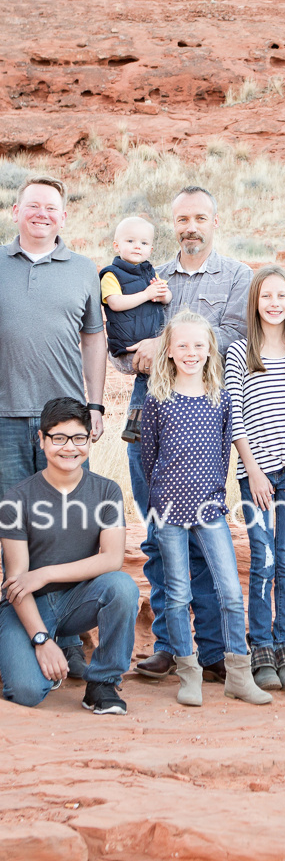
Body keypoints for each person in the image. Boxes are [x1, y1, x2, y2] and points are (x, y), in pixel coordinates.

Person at [130, 186, 252, 683]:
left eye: (200, 217)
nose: (190, 226)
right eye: (182, 219)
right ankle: (169, 644)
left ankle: (213, 651)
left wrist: (165, 340)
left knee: (204, 540)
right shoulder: (150, 275)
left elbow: (234, 339)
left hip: (205, 410)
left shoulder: (237, 275)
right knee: (161, 535)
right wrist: (155, 347)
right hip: (150, 410)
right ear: (172, 222)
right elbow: (127, 351)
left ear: (215, 221)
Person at [0, 176, 107, 680]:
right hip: (2, 418)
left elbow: (93, 341)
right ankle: (15, 640)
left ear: (63, 217)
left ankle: (66, 640)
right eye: (33, 205)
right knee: (9, 532)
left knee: (64, 532)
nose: (42, 213)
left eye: (52, 207)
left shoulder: (83, 269)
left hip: (62, 424)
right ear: (16, 209)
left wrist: (95, 405)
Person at [140, 311, 270, 707]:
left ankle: (238, 674)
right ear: (169, 352)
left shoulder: (221, 398)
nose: (191, 352)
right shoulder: (157, 399)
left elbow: (224, 451)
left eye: (199, 345)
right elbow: (149, 457)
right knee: (178, 594)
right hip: (169, 511)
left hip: (210, 509)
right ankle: (188, 672)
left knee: (230, 591)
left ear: (211, 350)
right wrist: (164, 495)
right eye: (182, 345)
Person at [0, 397, 139, 714]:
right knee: (26, 692)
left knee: (121, 587)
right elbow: (17, 584)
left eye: (78, 438)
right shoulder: (16, 499)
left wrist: (46, 573)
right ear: (42, 439)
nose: (69, 448)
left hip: (79, 599)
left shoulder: (106, 491)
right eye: (58, 438)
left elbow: (111, 559)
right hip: (28, 606)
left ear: (90, 438)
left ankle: (102, 683)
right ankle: (41, 660)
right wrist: (40, 640)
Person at [225, 266, 285, 692]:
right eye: (266, 296)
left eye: (281, 296)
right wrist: (253, 473)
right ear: (255, 302)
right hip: (259, 477)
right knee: (263, 559)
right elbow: (237, 418)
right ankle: (260, 646)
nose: (274, 304)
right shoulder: (238, 352)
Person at [99, 216, 172, 441]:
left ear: (150, 249)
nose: (137, 246)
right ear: (117, 245)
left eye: (143, 242)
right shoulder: (111, 273)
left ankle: (152, 419)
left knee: (159, 372)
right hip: (128, 341)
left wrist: (162, 295)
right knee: (149, 370)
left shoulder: (151, 273)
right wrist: (147, 295)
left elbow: (166, 297)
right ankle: (135, 422)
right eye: (130, 241)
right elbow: (114, 303)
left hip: (148, 338)